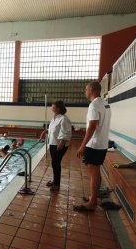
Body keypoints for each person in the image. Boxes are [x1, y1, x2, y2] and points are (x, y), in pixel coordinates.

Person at [75, 81, 111, 211]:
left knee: (93, 173)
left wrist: (82, 146)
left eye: (86, 89)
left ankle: (92, 203)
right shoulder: (105, 104)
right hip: (102, 143)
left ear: (92, 90)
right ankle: (93, 197)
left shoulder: (94, 105)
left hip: (94, 144)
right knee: (96, 171)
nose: (85, 92)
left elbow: (92, 127)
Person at [39, 101, 72, 191]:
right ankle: (55, 181)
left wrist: (61, 143)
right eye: (52, 107)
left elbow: (66, 132)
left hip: (59, 144)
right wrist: (45, 131)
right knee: (55, 163)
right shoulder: (54, 118)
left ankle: (57, 184)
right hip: (53, 143)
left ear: (59, 108)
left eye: (54, 107)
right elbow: (52, 129)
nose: (52, 108)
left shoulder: (64, 118)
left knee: (55, 163)